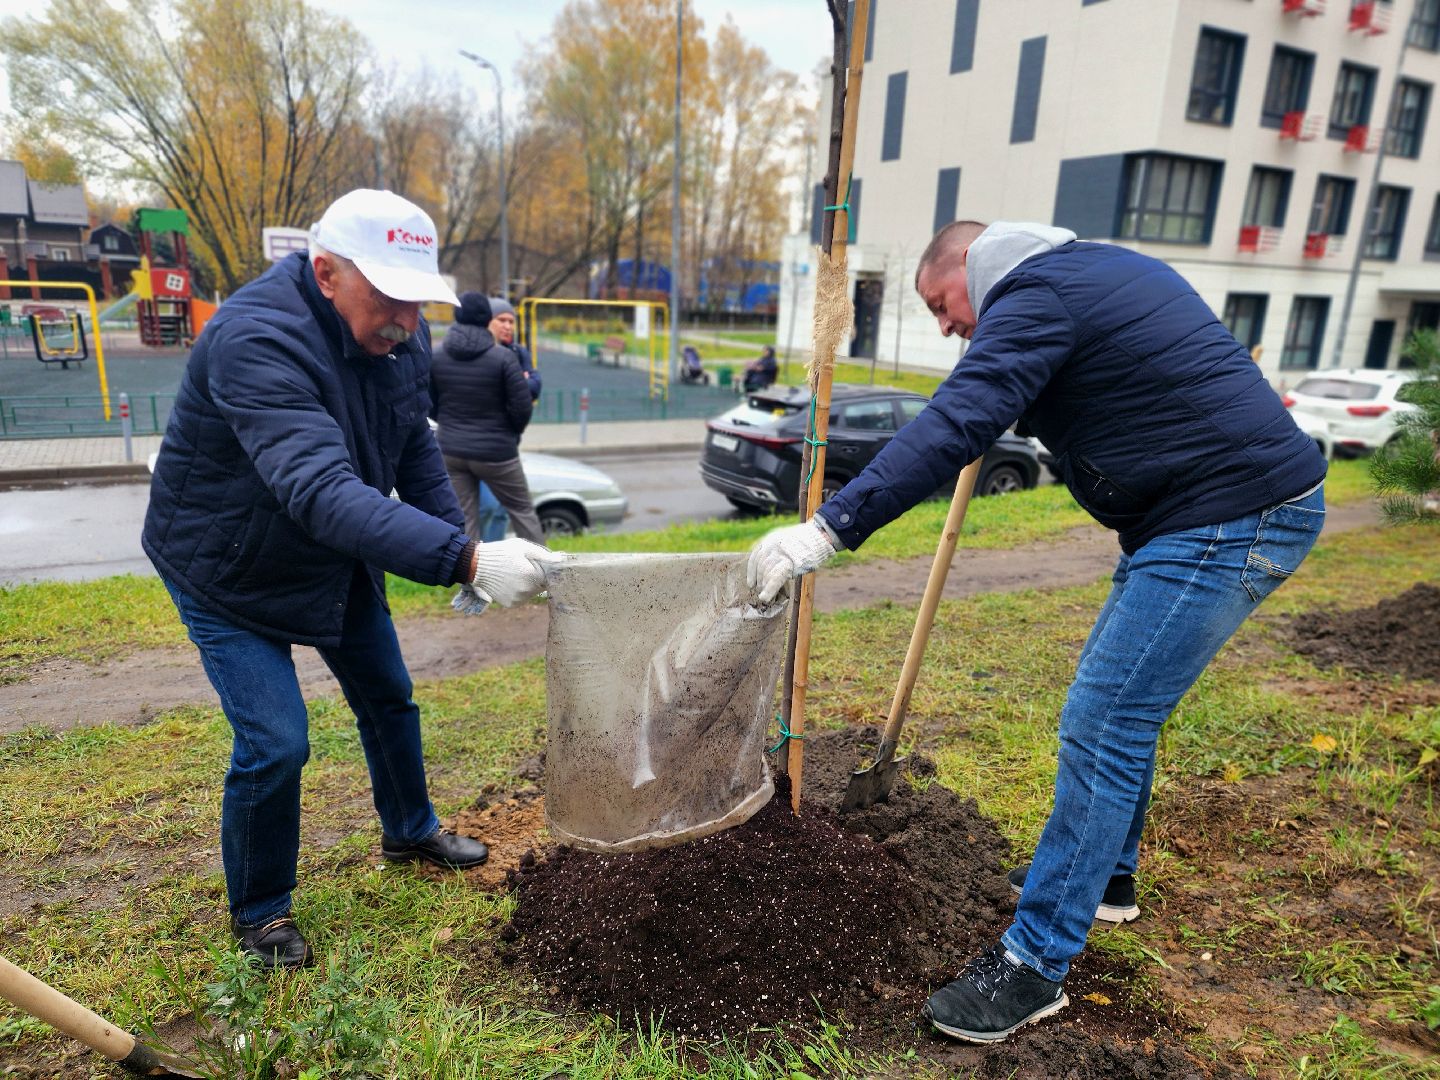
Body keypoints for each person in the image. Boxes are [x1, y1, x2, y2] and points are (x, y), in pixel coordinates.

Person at [747, 220, 1326, 1043]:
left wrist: (829, 528)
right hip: (1207, 514)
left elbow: (953, 423)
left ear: (968, 269)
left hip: (1232, 515)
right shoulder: (1087, 274)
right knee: (1124, 712)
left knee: (1104, 719)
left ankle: (1034, 963)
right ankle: (1106, 882)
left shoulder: (1037, 295)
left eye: (940, 305)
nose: (945, 326)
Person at [142, 188, 559, 970]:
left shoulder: (398, 334)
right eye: (387, 296)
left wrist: (459, 546)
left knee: (388, 696)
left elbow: (412, 450)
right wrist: (466, 559)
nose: (405, 318)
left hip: (328, 556)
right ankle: (262, 912)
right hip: (227, 564)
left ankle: (409, 830)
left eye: (415, 297)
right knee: (276, 743)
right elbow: (320, 491)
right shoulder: (255, 338)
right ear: (325, 271)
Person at [430, 292, 546, 545]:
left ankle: (471, 583)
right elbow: (522, 406)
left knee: (465, 519)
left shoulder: (436, 355)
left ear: (457, 316)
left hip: (451, 449)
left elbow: (430, 403)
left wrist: (450, 422)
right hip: (497, 451)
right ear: (486, 319)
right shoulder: (503, 358)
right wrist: (508, 432)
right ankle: (546, 576)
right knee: (522, 512)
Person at [489, 296, 542, 402]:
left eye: (511, 322)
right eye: (502, 320)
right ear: (488, 321)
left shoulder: (519, 352)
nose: (508, 327)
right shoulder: (481, 350)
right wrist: (520, 380)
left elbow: (535, 388)